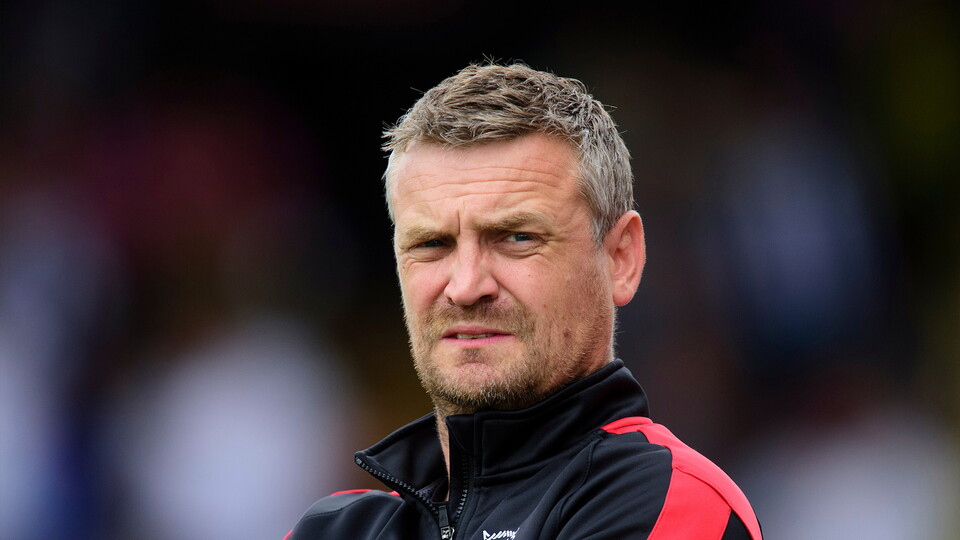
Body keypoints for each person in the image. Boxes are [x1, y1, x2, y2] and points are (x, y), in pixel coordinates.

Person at [286, 63, 762, 539]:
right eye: (432, 244)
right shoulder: (337, 528)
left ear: (622, 258)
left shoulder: (669, 498)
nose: (467, 286)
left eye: (516, 237)